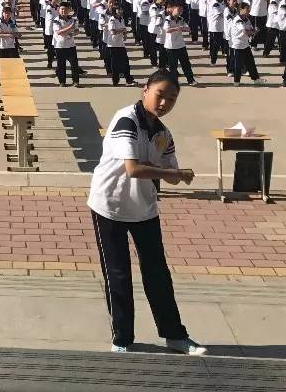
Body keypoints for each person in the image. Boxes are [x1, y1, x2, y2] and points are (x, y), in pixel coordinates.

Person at [88, 72, 206, 356]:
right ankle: (123, 340)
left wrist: (177, 175)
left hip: (144, 208)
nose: (164, 102)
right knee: (118, 274)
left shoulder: (163, 133)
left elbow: (171, 171)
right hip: (111, 206)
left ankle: (174, 335)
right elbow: (133, 169)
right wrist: (174, 173)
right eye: (160, 95)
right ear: (145, 91)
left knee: (158, 274)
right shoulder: (127, 120)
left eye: (172, 99)